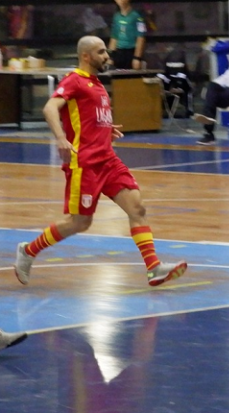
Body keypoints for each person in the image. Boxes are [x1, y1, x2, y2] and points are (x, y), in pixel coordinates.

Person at [13, 36, 187, 287]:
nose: (107, 56)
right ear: (86, 56)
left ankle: (154, 268)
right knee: (80, 222)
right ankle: (28, 251)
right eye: (101, 51)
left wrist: (105, 127)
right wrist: (61, 138)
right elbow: (50, 108)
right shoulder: (74, 80)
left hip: (108, 159)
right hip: (84, 163)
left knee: (137, 208)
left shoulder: (97, 84)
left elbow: (87, 116)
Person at [107, 0, 146, 70]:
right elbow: (114, 38)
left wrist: (137, 58)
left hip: (131, 52)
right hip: (119, 52)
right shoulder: (116, 17)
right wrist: (110, 56)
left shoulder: (137, 16)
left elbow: (140, 38)